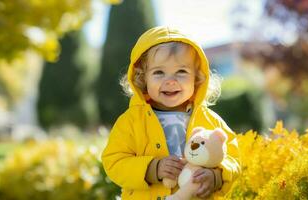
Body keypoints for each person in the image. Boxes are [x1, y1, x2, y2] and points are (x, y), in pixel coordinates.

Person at [102, 26, 240, 199]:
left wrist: (216, 177)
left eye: (181, 72)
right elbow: (113, 162)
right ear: (143, 78)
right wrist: (153, 168)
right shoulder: (131, 121)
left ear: (197, 77)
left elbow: (233, 158)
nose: (171, 81)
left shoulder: (211, 121)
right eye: (159, 72)